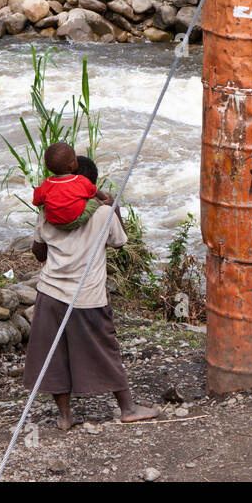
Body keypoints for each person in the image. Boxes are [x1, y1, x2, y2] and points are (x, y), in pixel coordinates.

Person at [23, 155, 158, 429]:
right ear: (91, 185)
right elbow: (120, 242)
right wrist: (111, 204)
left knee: (54, 353)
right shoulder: (102, 212)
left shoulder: (48, 211)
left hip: (50, 293)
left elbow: (39, 254)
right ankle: (128, 408)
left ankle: (65, 416)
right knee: (105, 349)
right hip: (87, 296)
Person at [32, 142, 100, 230]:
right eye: (75, 159)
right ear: (72, 166)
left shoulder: (46, 184)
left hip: (54, 223)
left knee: (46, 206)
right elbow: (93, 191)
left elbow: (36, 201)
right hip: (76, 220)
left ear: (48, 168)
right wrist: (103, 197)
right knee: (94, 201)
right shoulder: (80, 181)